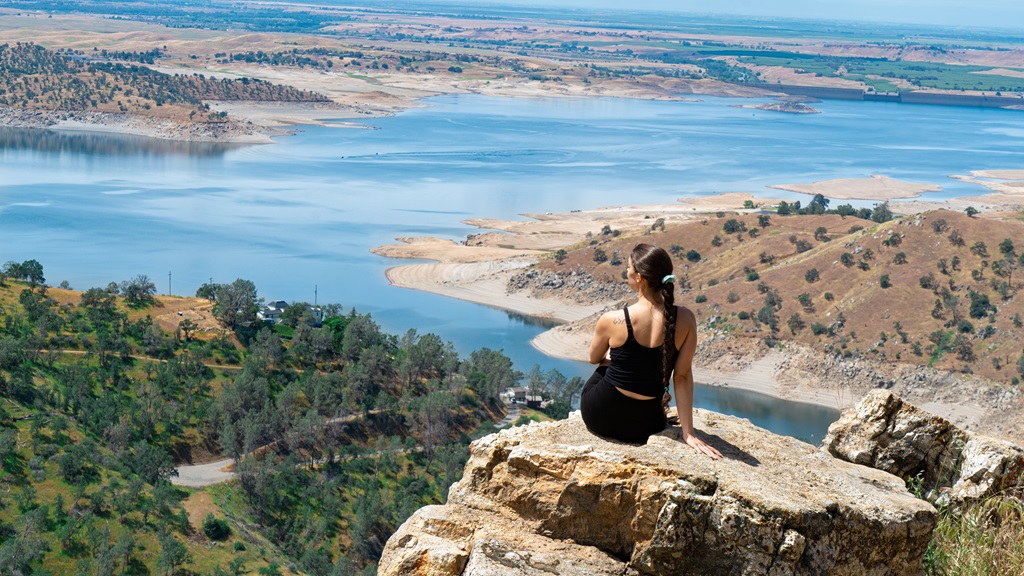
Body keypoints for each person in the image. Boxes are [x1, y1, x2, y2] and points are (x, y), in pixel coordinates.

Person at [581, 243, 721, 459]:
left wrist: (612, 357)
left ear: (639, 278)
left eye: (628, 267)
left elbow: (593, 358)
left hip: (599, 415)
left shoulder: (612, 319)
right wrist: (688, 433)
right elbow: (682, 376)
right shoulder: (685, 319)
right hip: (645, 425)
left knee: (606, 364)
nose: (626, 271)